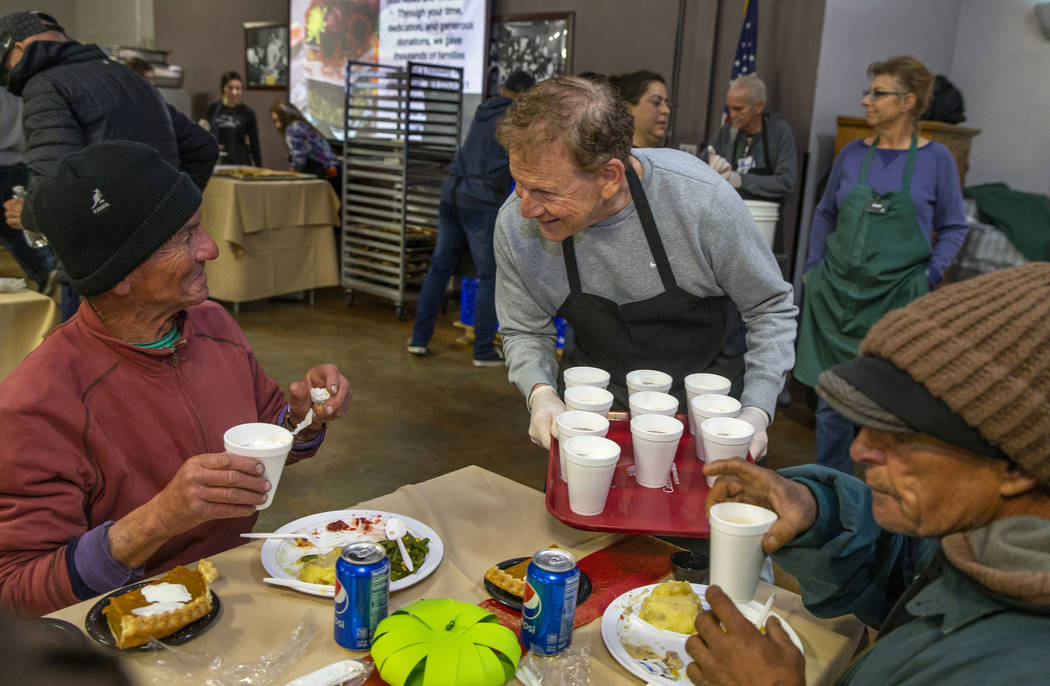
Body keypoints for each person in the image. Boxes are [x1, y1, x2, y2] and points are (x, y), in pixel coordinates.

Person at [0, 141, 352, 617]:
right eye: (186, 236)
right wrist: (158, 520)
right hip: (133, 625)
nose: (210, 247)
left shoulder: (213, 324)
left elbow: (261, 440)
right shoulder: (38, 403)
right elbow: (17, 590)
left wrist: (301, 417)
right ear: (120, 274)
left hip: (234, 590)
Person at [689, 263, 1050, 686]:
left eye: (904, 433)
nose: (860, 449)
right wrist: (817, 515)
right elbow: (911, 573)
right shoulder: (982, 537)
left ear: (1017, 466)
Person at [493, 77, 797, 460]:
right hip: (596, 411)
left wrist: (756, 409)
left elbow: (770, 307)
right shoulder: (516, 225)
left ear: (609, 177)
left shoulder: (699, 203)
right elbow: (523, 328)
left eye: (546, 192)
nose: (526, 209)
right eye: (520, 185)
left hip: (710, 412)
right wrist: (541, 394)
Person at [795, 56, 968, 475]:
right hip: (835, 293)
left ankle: (880, 499)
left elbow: (953, 226)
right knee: (832, 399)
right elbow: (825, 214)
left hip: (894, 298)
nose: (866, 100)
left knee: (884, 402)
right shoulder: (852, 154)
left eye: (877, 93)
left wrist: (929, 274)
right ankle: (831, 488)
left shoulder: (938, 160)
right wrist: (814, 266)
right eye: (868, 92)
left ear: (908, 101)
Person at [0, 9, 219, 320]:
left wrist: (29, 214)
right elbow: (203, 145)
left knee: (96, 363)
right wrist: (172, 212)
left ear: (18, 49)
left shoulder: (45, 83)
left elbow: (55, 187)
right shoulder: (125, 75)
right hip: (165, 258)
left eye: (5, 64)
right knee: (164, 356)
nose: (8, 74)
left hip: (102, 265)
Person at [408, 69, 535, 366]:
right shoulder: (517, 118)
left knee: (439, 269)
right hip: (481, 200)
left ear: (503, 90)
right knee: (490, 275)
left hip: (451, 193)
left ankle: (418, 340)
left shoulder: (484, 111)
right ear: (526, 95)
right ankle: (483, 351)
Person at [705, 73, 798, 202]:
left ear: (759, 107)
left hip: (764, 216)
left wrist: (740, 180)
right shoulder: (726, 132)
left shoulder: (779, 132)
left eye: (738, 109)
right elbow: (701, 162)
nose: (732, 115)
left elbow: (787, 182)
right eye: (729, 108)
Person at [0, 87, 55, 292]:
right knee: (18, 226)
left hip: (6, 166)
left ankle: (46, 270)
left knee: (16, 227)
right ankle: (46, 270)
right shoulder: (14, 96)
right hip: (18, 166)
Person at [204, 71, 262, 167]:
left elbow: (254, 142)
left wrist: (259, 166)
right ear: (223, 88)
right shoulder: (212, 109)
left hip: (240, 162)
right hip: (217, 161)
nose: (234, 92)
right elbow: (205, 135)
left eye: (238, 88)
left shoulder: (247, 112)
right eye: (230, 88)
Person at [270, 99, 337, 180]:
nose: (277, 125)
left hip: (320, 169)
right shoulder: (301, 124)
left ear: (284, 117)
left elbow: (299, 158)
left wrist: (291, 174)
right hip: (331, 169)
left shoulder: (293, 129)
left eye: (277, 120)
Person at [609, 70, 670, 148]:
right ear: (628, 108)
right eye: (656, 102)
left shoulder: (667, 157)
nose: (666, 110)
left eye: (667, 104)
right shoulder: (613, 157)